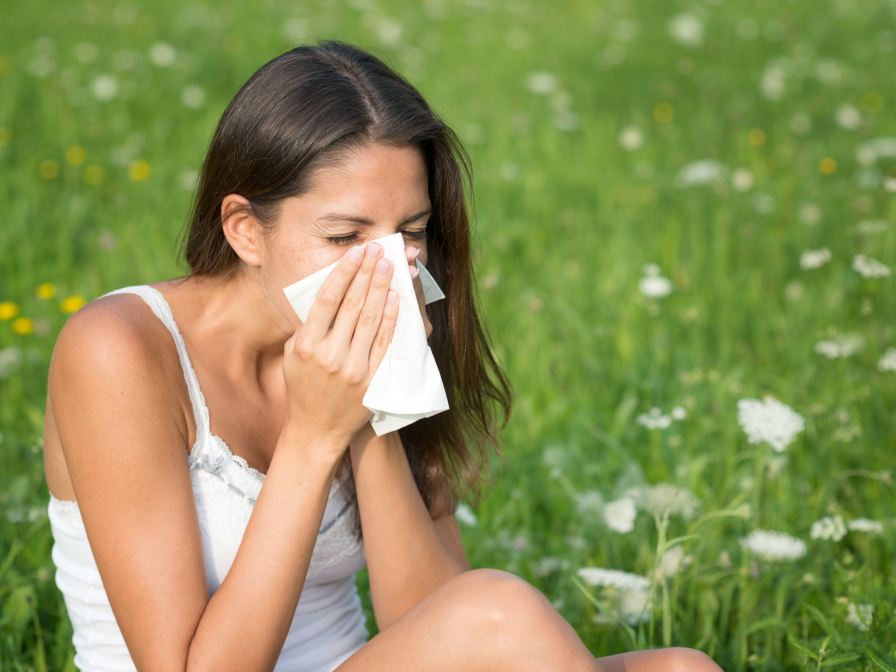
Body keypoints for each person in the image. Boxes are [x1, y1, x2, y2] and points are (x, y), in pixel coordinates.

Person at [43, 41, 723, 672]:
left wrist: (375, 411)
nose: (390, 267)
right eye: (344, 235)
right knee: (502, 609)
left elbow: (428, 623)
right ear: (246, 230)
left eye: (412, 232)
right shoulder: (119, 351)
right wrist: (313, 437)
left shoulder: (386, 335)